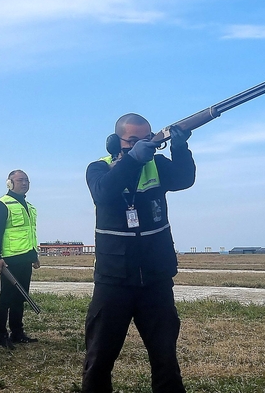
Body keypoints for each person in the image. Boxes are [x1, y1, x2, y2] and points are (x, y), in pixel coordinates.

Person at [81, 114, 195, 393]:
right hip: (113, 279)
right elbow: (104, 193)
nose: (141, 145)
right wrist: (133, 159)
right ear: (114, 142)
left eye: (146, 139)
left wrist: (180, 149)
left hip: (156, 277)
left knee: (165, 356)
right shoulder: (98, 168)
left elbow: (184, 179)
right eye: (132, 140)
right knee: (100, 357)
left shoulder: (157, 164)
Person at [0, 169, 41, 349]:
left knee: (21, 297)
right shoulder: (2, 204)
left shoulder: (29, 207)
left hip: (26, 258)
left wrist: (34, 256)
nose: (25, 183)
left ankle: (17, 332)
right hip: (9, 260)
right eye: (20, 180)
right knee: (6, 298)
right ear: (9, 183)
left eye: (27, 180)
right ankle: (1, 336)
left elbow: (30, 234)